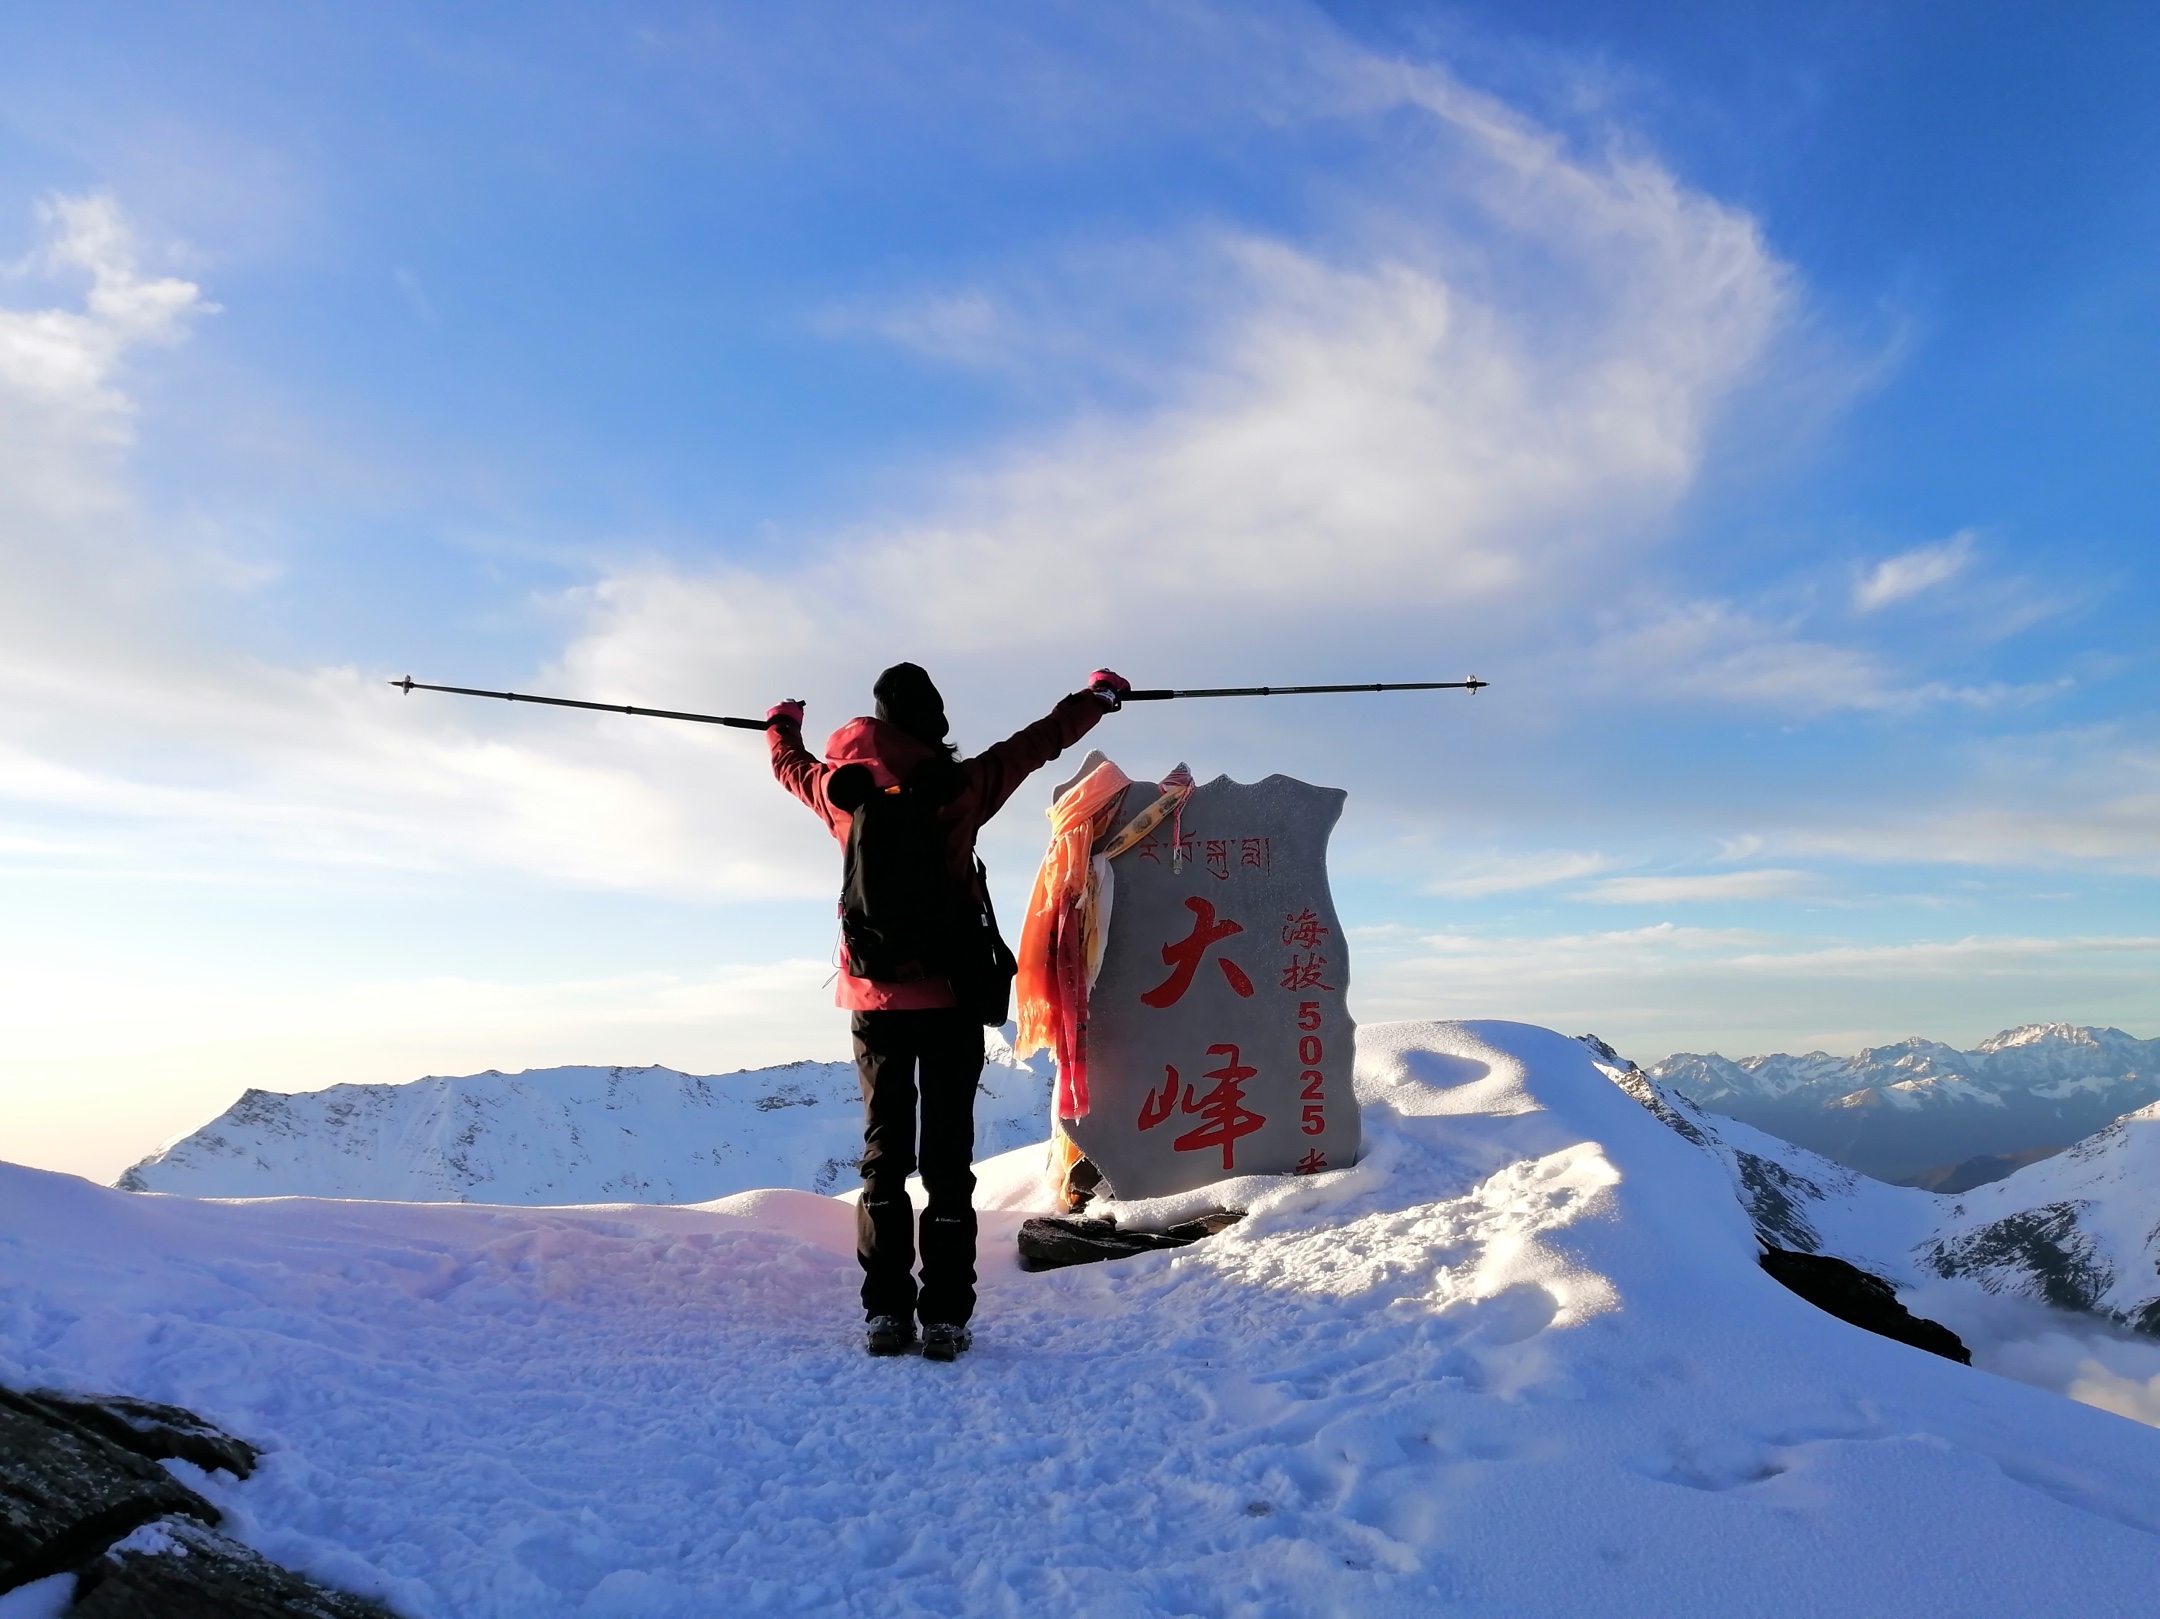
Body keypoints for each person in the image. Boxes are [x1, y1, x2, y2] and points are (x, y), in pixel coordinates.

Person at [767, 662, 1131, 1359]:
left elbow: (789, 765)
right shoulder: (959, 788)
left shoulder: (840, 791)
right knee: (947, 1161)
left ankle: (885, 1315)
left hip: (874, 1001)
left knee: (884, 1160)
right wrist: (1097, 699)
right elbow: (1038, 743)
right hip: (952, 998)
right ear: (933, 722)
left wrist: (783, 722)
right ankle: (945, 1317)